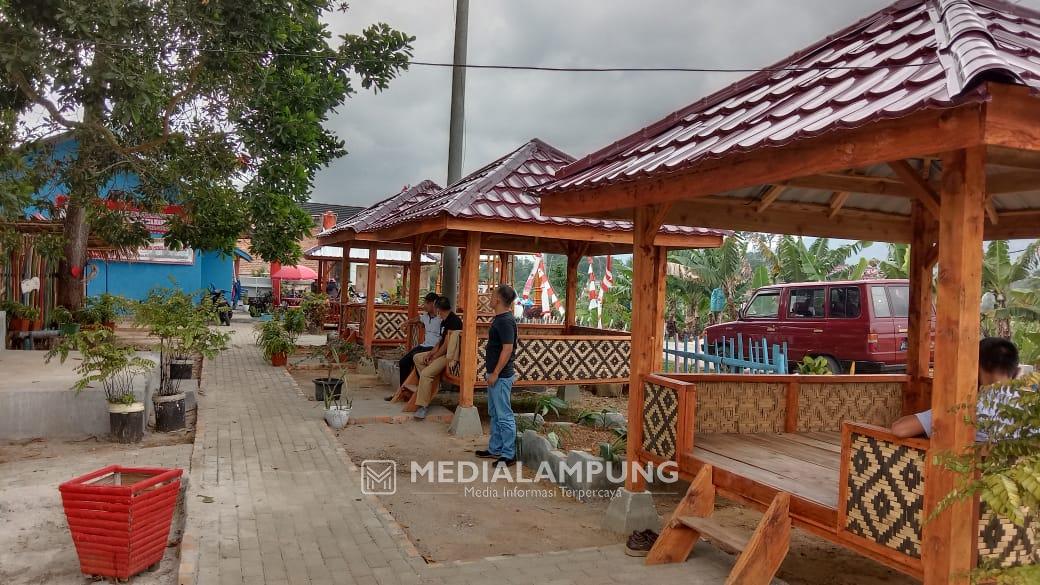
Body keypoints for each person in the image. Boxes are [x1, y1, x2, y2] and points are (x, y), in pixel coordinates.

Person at [891, 337, 1020, 440]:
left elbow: (900, 429)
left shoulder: (968, 405)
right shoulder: (1028, 407)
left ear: (975, 366)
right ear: (1016, 371)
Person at [476, 284, 519, 466]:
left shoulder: (505, 321)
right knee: (494, 413)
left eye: (492, 295)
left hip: (500, 376)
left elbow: (507, 349)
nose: (490, 298)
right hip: (495, 375)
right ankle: (496, 448)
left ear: (499, 299)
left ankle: (509, 454)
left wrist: (495, 373)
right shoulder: (500, 319)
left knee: (504, 414)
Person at [412, 297, 463, 419]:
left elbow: (446, 346)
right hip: (441, 352)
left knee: (425, 374)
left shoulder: (454, 321)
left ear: (439, 309)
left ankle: (422, 406)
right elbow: (440, 342)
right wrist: (430, 354)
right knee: (417, 358)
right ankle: (432, 382)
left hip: (450, 356)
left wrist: (434, 356)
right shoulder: (444, 320)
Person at [385, 292, 442, 401]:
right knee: (403, 362)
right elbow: (416, 319)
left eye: (426, 303)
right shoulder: (425, 316)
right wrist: (406, 323)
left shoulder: (441, 318)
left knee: (416, 360)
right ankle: (403, 391)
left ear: (433, 304)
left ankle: (421, 390)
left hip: (433, 348)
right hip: (423, 346)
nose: (424, 305)